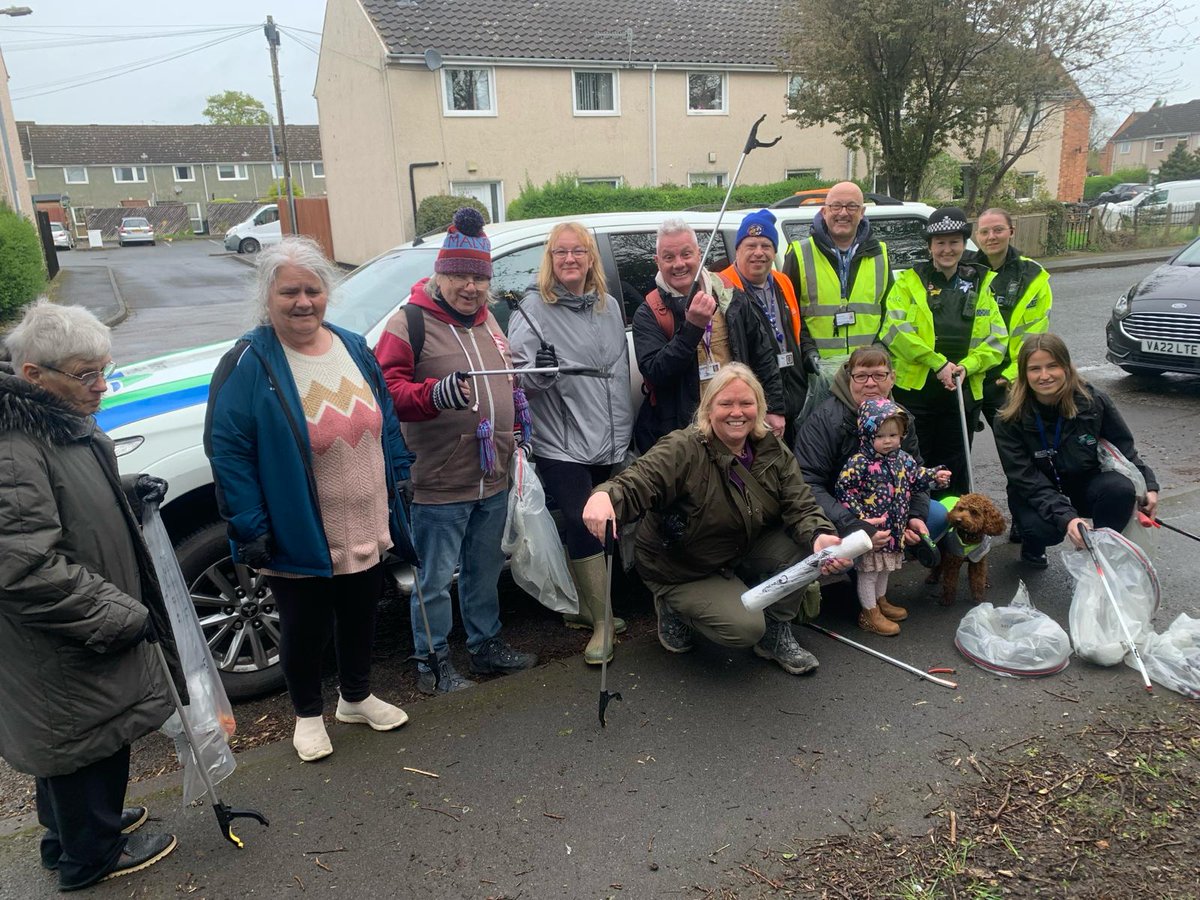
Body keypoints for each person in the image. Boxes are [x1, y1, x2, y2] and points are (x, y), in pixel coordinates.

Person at [205, 237, 415, 763]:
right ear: (268, 297)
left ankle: (356, 697)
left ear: (327, 293)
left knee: (361, 612)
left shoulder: (352, 346)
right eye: (290, 292)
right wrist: (250, 527)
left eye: (313, 290)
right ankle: (306, 715)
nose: (303, 302)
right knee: (304, 626)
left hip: (364, 513)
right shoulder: (250, 363)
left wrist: (401, 476)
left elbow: (385, 421)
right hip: (298, 524)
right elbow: (228, 449)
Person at [1, 301, 180, 891]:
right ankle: (91, 854)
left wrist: (126, 489)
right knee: (82, 740)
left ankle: (72, 835)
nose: (101, 386)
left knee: (72, 745)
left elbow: (64, 503)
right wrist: (120, 614)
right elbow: (23, 567)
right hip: (65, 635)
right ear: (33, 375)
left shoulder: (51, 419)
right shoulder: (14, 445)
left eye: (104, 370)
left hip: (73, 632)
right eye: (85, 375)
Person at [581, 364, 850, 675]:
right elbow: (638, 481)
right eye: (726, 403)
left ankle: (775, 632)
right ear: (708, 409)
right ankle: (672, 607)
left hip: (735, 546)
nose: (737, 412)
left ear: (759, 408)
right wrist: (605, 497)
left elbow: (801, 504)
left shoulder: (772, 449)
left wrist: (820, 536)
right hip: (683, 566)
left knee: (808, 550)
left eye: (746, 403)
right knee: (746, 627)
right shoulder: (683, 448)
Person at [375, 207, 537, 693]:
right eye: (460, 275)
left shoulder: (489, 322)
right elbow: (384, 390)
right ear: (440, 274)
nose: (470, 286)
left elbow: (503, 378)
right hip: (439, 479)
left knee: (484, 571)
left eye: (479, 277)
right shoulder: (409, 323)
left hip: (493, 474)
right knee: (434, 580)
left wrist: (519, 407)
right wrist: (431, 395)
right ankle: (433, 664)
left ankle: (485, 648)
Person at [508, 222, 634, 665]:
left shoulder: (609, 306)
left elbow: (617, 372)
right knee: (586, 522)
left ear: (589, 258)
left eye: (577, 251)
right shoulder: (531, 310)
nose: (569, 259)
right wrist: (539, 373)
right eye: (560, 252)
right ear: (550, 258)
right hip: (560, 440)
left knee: (607, 520)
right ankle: (603, 622)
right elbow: (518, 380)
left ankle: (587, 608)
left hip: (610, 434)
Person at [993, 333, 1158, 568]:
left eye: (1052, 366)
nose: (1044, 376)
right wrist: (1068, 518)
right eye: (1035, 369)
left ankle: (1100, 551)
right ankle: (1032, 546)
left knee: (1120, 489)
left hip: (1084, 482)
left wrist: (1149, 486)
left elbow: (1124, 449)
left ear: (1066, 367)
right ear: (1023, 373)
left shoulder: (1094, 401)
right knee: (1044, 528)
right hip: (1036, 490)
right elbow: (1025, 478)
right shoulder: (1008, 418)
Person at [880, 206, 1006, 496]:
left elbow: (998, 340)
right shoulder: (908, 282)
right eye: (940, 243)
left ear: (964, 244)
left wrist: (968, 366)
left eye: (954, 242)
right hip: (917, 394)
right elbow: (895, 331)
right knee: (914, 463)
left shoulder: (981, 282)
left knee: (955, 467)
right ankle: (918, 525)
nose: (947, 249)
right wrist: (938, 364)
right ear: (930, 246)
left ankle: (954, 528)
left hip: (961, 391)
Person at [632, 217, 786, 452]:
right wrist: (692, 328)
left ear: (699, 254)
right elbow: (655, 372)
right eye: (669, 257)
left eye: (686, 254)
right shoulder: (650, 311)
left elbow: (762, 354)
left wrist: (774, 408)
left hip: (737, 423)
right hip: (683, 432)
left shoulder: (729, 295)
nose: (679, 264)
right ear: (657, 262)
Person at [793, 347, 947, 556]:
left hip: (889, 508)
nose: (870, 383)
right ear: (849, 379)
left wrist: (913, 515)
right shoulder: (825, 421)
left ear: (892, 378)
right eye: (861, 376)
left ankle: (891, 555)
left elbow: (915, 471)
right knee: (853, 551)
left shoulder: (902, 418)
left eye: (879, 375)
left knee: (937, 515)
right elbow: (808, 483)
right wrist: (854, 524)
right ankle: (853, 570)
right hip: (840, 512)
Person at [835, 399, 951, 635]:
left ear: (902, 435)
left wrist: (934, 476)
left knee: (884, 568)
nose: (888, 441)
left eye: (893, 435)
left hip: (894, 529)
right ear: (867, 435)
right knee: (869, 572)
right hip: (873, 531)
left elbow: (918, 477)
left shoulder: (904, 460)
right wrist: (860, 517)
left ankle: (881, 600)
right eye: (880, 436)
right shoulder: (859, 463)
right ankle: (869, 612)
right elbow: (844, 490)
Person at [972, 207, 1053, 542]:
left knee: (1019, 459)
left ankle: (1028, 527)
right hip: (968, 376)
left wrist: (1009, 373)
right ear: (977, 236)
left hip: (1007, 382)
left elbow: (1034, 333)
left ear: (1011, 231)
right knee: (957, 457)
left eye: (998, 230)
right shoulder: (965, 270)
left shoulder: (1033, 276)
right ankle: (960, 529)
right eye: (985, 231)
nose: (991, 237)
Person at [718, 208, 815, 447]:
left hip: (792, 391)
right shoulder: (723, 287)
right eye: (751, 245)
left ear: (774, 251)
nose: (758, 253)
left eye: (766, 245)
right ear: (737, 250)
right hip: (751, 401)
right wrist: (771, 406)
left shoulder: (782, 281)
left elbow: (796, 328)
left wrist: (810, 352)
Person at [782, 181, 893, 365]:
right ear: (824, 211)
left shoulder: (880, 253)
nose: (843, 213)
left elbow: (892, 310)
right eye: (836, 206)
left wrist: (880, 347)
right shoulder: (799, 253)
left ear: (862, 212)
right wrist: (807, 350)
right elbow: (788, 314)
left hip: (868, 371)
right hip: (818, 371)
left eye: (851, 206)